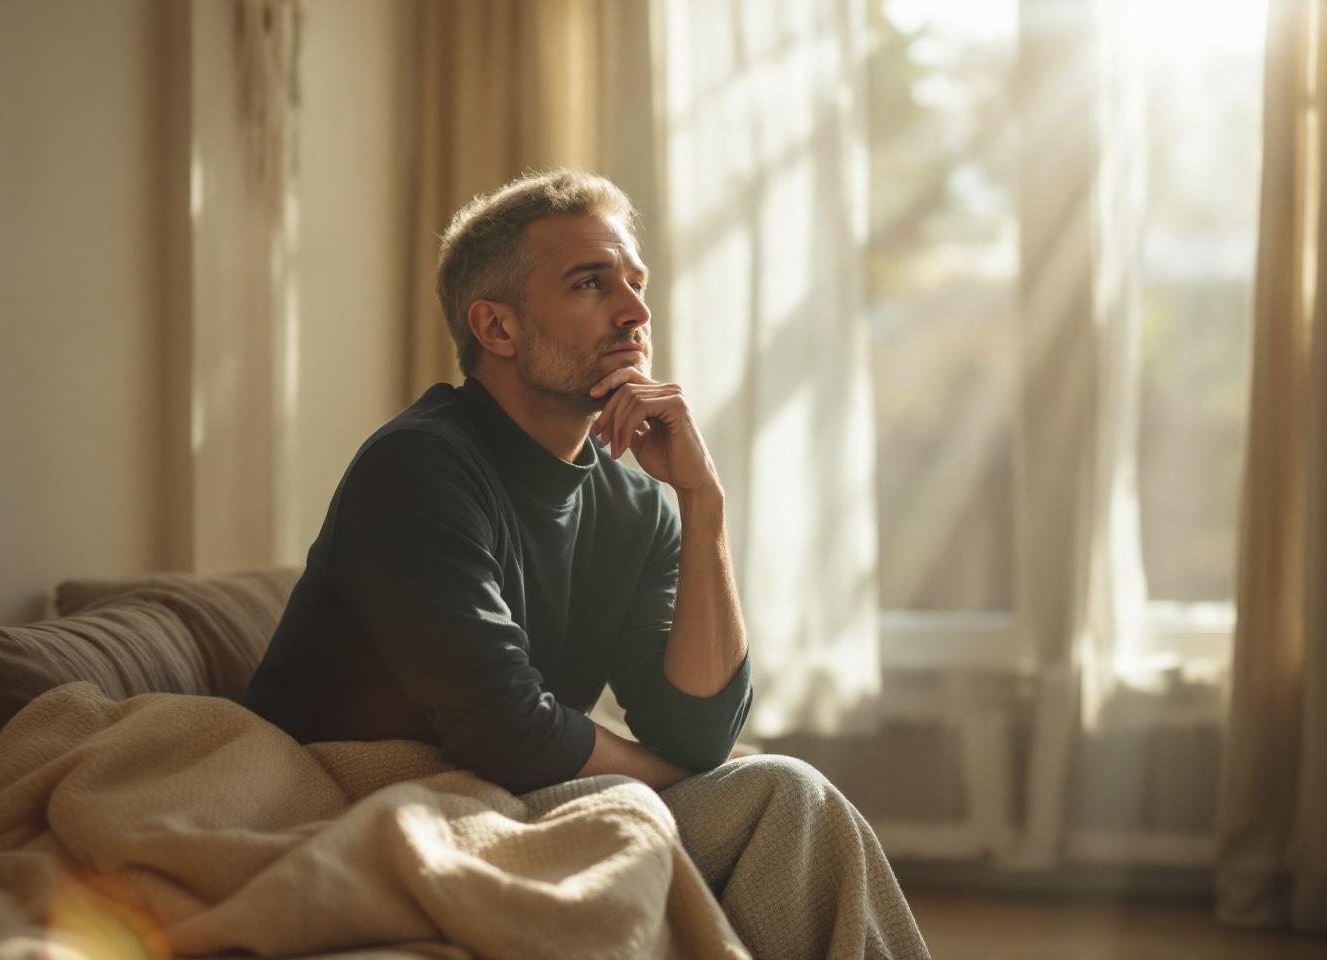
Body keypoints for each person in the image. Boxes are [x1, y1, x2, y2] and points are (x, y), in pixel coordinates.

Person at [244, 170, 930, 959]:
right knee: (778, 792)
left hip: (510, 795)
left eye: (636, 284)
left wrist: (704, 506)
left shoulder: (635, 507)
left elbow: (696, 726)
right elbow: (505, 728)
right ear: (496, 329)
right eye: (590, 283)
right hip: (366, 796)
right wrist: (668, 771)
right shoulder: (417, 468)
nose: (636, 311)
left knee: (791, 797)